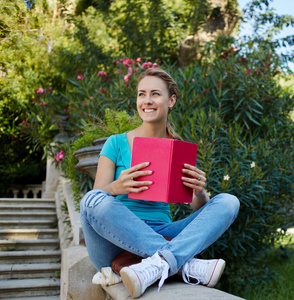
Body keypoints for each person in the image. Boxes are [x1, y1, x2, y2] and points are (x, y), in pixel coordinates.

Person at [80, 67, 240, 298]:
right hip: (115, 241)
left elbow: (199, 210)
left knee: (229, 201)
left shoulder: (179, 147)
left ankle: (160, 262)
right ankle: (184, 264)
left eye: (155, 94)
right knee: (90, 200)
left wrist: (199, 191)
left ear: (171, 100)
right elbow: (95, 202)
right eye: (141, 94)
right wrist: (116, 188)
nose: (147, 100)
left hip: (163, 232)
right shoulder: (115, 143)